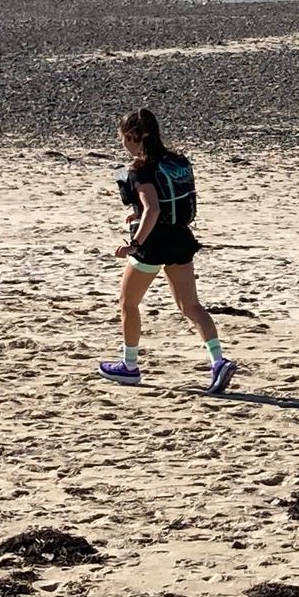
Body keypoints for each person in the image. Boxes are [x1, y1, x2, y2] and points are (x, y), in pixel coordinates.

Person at [98, 108, 237, 394]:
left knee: (127, 302)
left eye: (123, 138)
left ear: (133, 136)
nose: (122, 144)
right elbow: (161, 203)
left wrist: (135, 243)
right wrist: (137, 215)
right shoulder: (174, 161)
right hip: (180, 238)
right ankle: (218, 361)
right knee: (191, 305)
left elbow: (153, 209)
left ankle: (129, 366)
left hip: (153, 245)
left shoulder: (141, 169)